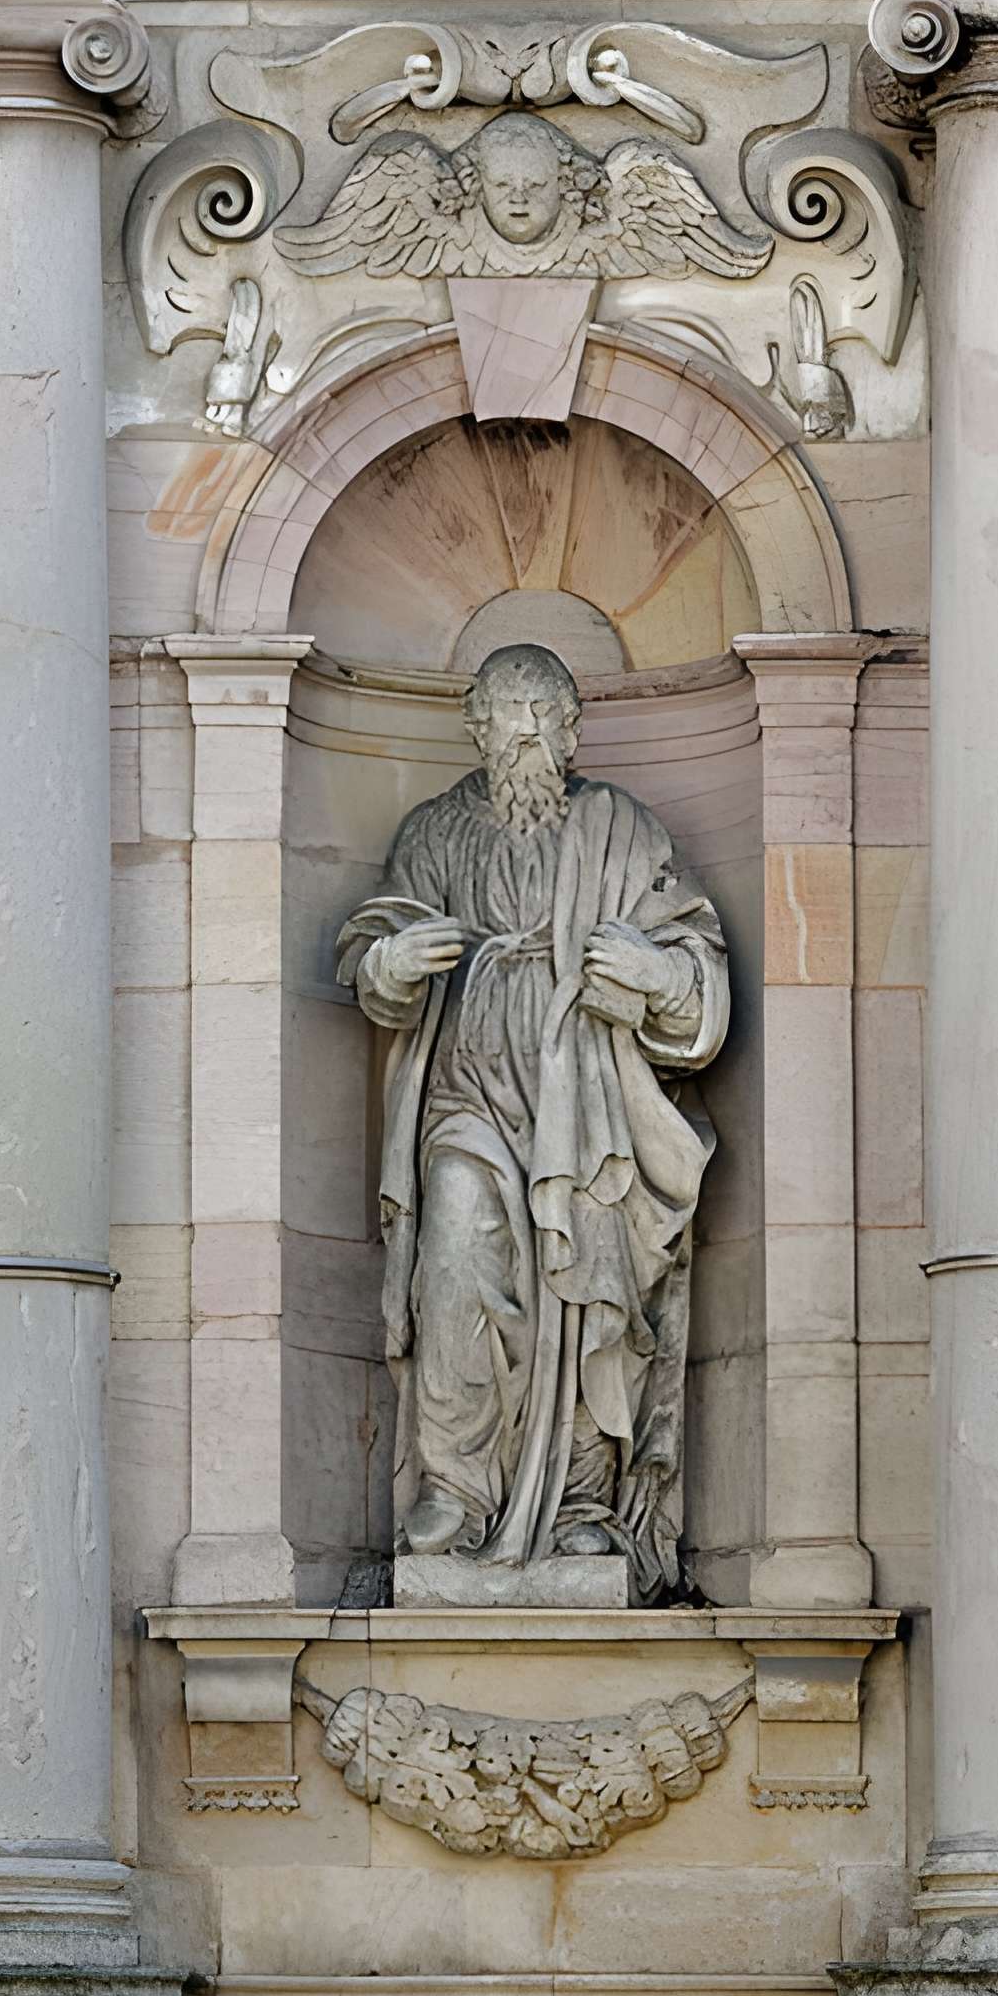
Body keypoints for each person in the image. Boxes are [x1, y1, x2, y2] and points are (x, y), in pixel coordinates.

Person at [337, 642, 729, 1602]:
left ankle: (584, 1506)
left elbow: (699, 970)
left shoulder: (623, 832)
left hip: (589, 1110)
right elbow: (368, 948)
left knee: (592, 1288)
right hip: (466, 1098)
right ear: (474, 729)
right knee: (459, 1259)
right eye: (510, 719)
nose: (529, 737)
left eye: (546, 717)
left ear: (574, 726)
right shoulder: (432, 836)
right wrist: (387, 968)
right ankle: (458, 1489)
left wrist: (657, 976)